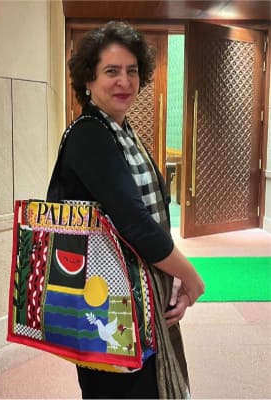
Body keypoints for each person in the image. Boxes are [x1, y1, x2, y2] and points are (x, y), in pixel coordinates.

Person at [47, 21, 205, 398]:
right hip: (105, 298)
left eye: (132, 71)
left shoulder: (122, 132)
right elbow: (134, 222)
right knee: (122, 388)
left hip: (132, 295)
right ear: (89, 79)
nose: (125, 81)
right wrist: (192, 277)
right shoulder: (90, 134)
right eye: (111, 71)